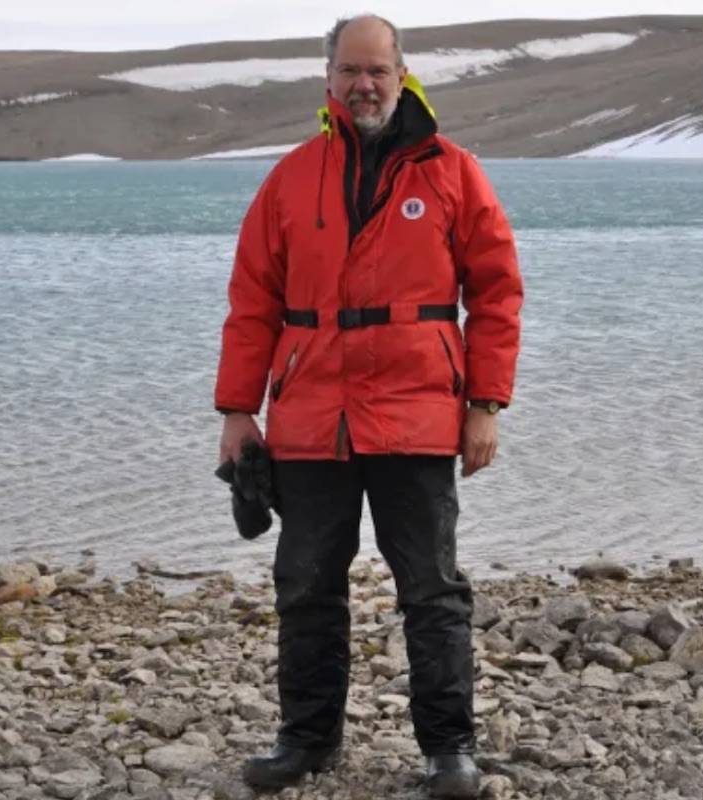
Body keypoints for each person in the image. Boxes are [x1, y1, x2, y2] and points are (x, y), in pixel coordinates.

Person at [214, 13, 522, 799]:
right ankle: (307, 741)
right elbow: (253, 301)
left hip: (418, 413)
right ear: (328, 80)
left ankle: (448, 750)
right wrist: (236, 412)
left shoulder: (452, 172)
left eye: (378, 71)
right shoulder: (291, 177)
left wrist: (485, 402)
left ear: (403, 74)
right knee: (307, 585)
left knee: (431, 587)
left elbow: (495, 293)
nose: (364, 85)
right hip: (312, 415)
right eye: (350, 71)